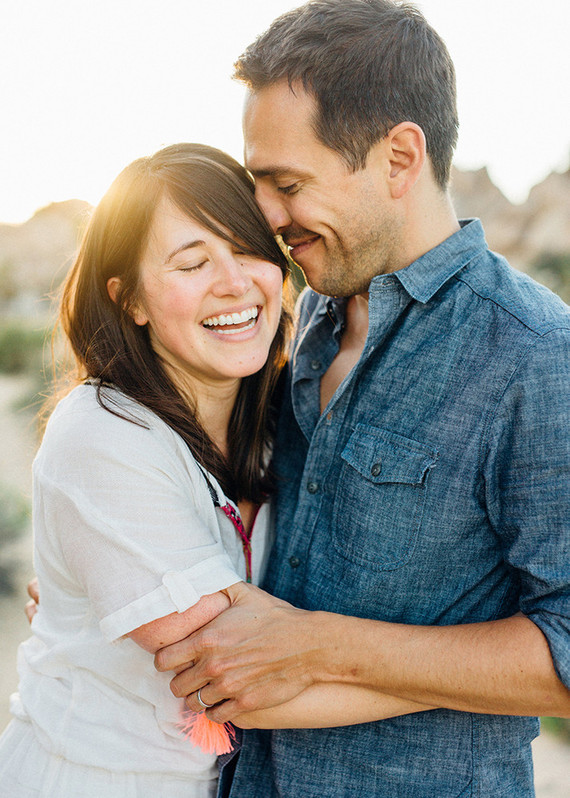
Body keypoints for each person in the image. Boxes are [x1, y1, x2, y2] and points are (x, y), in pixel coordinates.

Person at [153, 3, 570, 797]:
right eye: (258, 183)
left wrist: (319, 647)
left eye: (289, 183)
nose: (267, 217)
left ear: (399, 158)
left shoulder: (536, 356)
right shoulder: (302, 311)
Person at [2, 142, 442, 797]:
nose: (233, 282)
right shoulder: (102, 433)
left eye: (247, 249)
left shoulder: (280, 417)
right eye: (191, 262)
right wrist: (474, 686)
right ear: (131, 301)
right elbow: (240, 677)